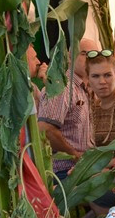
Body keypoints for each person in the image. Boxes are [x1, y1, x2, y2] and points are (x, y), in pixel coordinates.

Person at [38, 37, 98, 179]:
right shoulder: (63, 87)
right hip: (64, 173)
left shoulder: (85, 89)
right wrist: (75, 155)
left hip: (82, 169)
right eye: (84, 54)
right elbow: (45, 129)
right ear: (69, 58)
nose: (91, 59)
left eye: (95, 55)